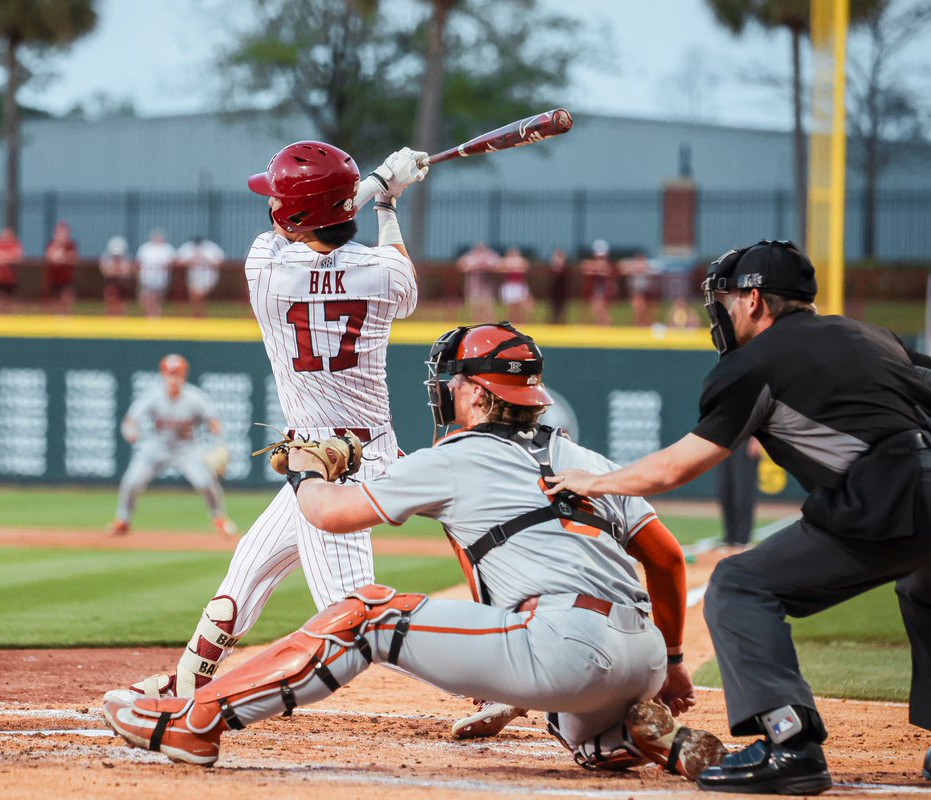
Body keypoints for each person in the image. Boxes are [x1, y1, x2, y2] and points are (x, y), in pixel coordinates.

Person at [101, 323, 728, 783]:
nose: (444, 394)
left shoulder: (455, 457)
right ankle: (620, 733)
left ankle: (197, 720)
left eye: (452, 385)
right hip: (641, 655)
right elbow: (668, 558)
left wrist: (302, 468)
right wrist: (673, 661)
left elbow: (327, 514)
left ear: (480, 397)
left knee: (365, 612)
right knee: (572, 708)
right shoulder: (586, 460)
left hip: (563, 646)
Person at [545, 240, 931, 794]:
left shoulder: (753, 363)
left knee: (739, 586)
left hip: (887, 495)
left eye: (724, 301)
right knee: (922, 586)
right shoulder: (869, 334)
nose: (720, 314)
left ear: (754, 301)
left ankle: (789, 743)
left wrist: (594, 481)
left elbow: (678, 466)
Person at [116, 140, 427, 701]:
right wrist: (387, 203)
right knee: (247, 570)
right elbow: (393, 268)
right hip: (354, 456)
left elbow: (306, 227)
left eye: (279, 198)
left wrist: (379, 183)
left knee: (359, 616)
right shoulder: (384, 273)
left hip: (336, 472)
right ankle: (186, 685)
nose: (271, 206)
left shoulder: (265, 268)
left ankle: (494, 674)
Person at [111, 354, 235, 537]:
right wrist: (131, 432)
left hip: (188, 448)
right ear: (163, 374)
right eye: (170, 373)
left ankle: (220, 519)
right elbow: (131, 420)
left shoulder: (195, 398)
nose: (173, 378)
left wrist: (218, 441)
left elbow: (214, 422)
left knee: (205, 482)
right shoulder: (152, 396)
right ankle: (123, 520)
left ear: (184, 375)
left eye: (177, 373)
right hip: (158, 446)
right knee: (132, 481)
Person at [716, 439, 760, 550]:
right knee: (725, 491)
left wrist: (756, 441)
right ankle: (730, 537)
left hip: (745, 440)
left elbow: (757, 421)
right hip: (725, 440)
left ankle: (742, 539)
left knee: (743, 492)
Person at [176, 234, 225, 317]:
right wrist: (190, 262)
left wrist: (206, 261)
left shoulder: (211, 247)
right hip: (193, 276)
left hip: (208, 276)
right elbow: (178, 261)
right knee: (194, 295)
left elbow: (220, 262)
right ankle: (197, 313)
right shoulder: (188, 247)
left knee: (200, 295)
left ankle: (199, 313)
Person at [134, 230, 175, 318]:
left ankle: (156, 315)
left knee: (158, 298)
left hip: (161, 279)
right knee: (146, 298)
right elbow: (138, 263)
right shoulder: (145, 248)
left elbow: (172, 262)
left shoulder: (167, 248)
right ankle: (148, 314)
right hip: (146, 278)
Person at [457, 241, 499, 320]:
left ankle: (489, 323)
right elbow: (461, 266)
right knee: (474, 303)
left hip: (487, 282)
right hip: (474, 283)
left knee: (488, 303)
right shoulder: (470, 256)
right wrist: (475, 267)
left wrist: (485, 266)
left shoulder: (491, 256)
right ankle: (476, 322)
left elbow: (498, 266)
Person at [43, 220, 78, 315]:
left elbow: (73, 259)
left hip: (66, 278)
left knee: (67, 295)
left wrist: (62, 258)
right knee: (53, 301)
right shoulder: (52, 244)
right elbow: (50, 258)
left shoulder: (71, 245)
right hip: (54, 278)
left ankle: (67, 316)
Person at [619, 251, 660, 327]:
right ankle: (639, 326)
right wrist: (634, 268)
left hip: (647, 292)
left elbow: (657, 269)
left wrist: (644, 268)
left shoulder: (649, 267)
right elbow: (622, 266)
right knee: (638, 310)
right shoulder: (632, 267)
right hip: (637, 292)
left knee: (648, 311)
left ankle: (647, 326)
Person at [579, 239, 615, 326]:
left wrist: (596, 268)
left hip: (604, 291)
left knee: (600, 310)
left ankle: (606, 327)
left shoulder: (608, 265)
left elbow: (605, 270)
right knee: (595, 311)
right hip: (597, 291)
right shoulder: (593, 263)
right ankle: (602, 327)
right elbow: (584, 268)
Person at [0, 227, 23, 314]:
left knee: (9, 299)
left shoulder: (15, 244)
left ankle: (8, 317)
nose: (5, 237)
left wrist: (1, 257)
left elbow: (17, 257)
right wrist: (7, 257)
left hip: (10, 278)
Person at [496, 246, 534, 324]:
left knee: (520, 306)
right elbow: (498, 267)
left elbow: (525, 267)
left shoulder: (521, 261)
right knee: (510, 307)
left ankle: (521, 322)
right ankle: (511, 323)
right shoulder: (506, 261)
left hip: (519, 285)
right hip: (509, 286)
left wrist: (513, 267)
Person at [100, 235, 134, 316]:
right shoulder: (107, 260)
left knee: (122, 305)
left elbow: (128, 271)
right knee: (110, 302)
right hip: (111, 285)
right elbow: (106, 272)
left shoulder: (126, 260)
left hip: (123, 285)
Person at [547, 246, 570, 325]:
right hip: (554, 287)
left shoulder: (565, 264)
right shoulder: (553, 263)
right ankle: (553, 321)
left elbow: (563, 270)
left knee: (563, 306)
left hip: (562, 287)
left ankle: (563, 321)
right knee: (553, 305)